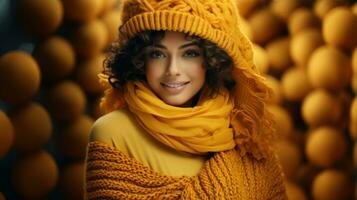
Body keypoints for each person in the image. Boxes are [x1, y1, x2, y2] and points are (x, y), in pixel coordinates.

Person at [85, 0, 288, 199]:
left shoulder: (245, 134)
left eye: (189, 53)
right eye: (157, 54)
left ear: (211, 59)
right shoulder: (113, 134)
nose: (173, 70)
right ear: (138, 58)